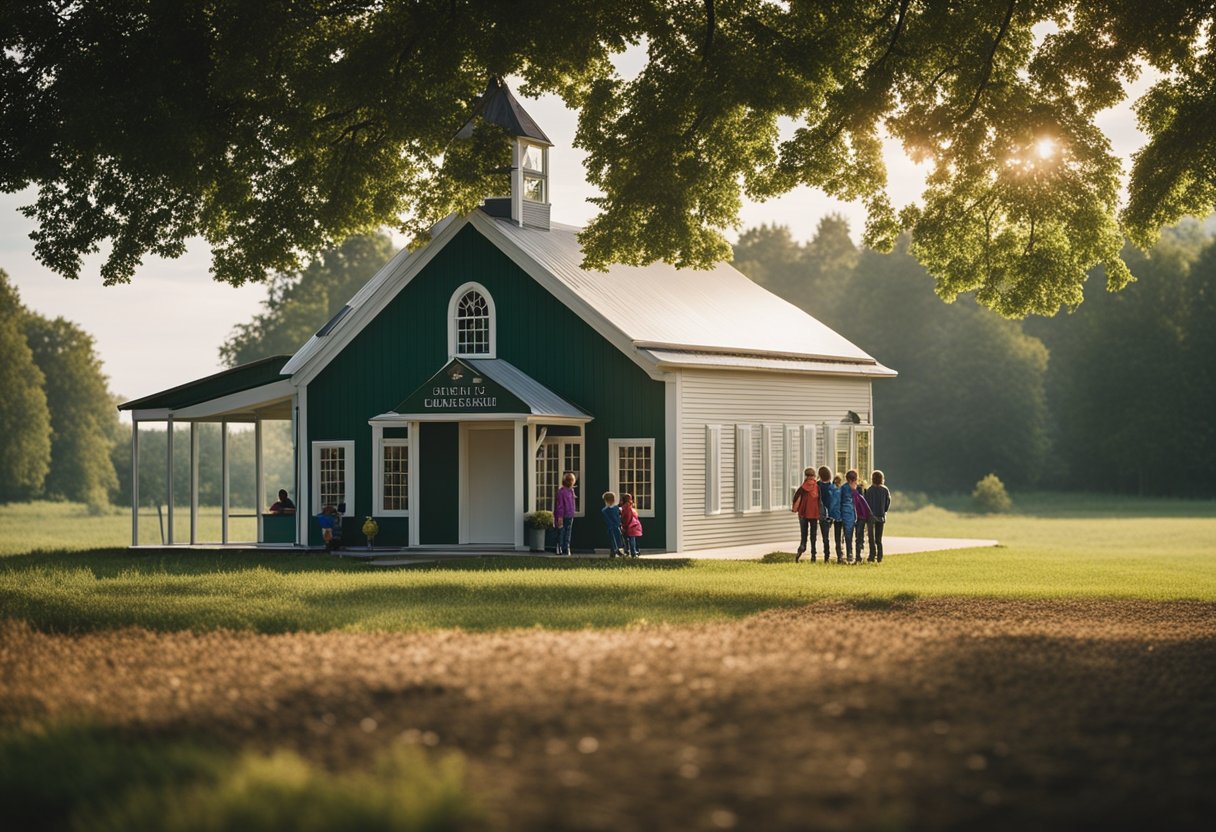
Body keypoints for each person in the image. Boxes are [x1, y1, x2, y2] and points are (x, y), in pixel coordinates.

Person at [791, 467, 820, 562]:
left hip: (803, 514)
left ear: (806, 476)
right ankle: (813, 555)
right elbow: (820, 501)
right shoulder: (817, 487)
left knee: (804, 535)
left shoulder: (802, 488)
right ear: (814, 476)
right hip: (814, 514)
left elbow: (795, 499)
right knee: (813, 535)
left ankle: (801, 549)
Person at [865, 470, 892, 562]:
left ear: (872, 479)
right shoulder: (885, 490)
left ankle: (872, 555)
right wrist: (884, 511)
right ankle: (880, 556)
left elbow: (866, 504)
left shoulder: (869, 490)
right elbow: (888, 502)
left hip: (871, 518)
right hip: (881, 517)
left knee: (871, 538)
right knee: (878, 538)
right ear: (882, 479)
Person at [554, 472, 577, 556]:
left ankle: (567, 547)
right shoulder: (561, 491)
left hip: (570, 515)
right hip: (562, 515)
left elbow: (572, 503)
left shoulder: (571, 491)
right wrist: (559, 516)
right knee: (561, 531)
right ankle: (559, 547)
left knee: (568, 532)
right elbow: (560, 505)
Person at [851, 472, 872, 563]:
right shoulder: (861, 493)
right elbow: (866, 507)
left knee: (856, 537)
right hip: (861, 517)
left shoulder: (851, 493)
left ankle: (857, 555)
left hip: (854, 516)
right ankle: (859, 555)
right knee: (859, 536)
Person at [816, 466, 836, 562]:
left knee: (817, 535)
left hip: (819, 512)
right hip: (829, 514)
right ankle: (826, 556)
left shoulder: (817, 486)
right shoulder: (832, 487)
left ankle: (814, 554)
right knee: (826, 536)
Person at [840, 471, 858, 564]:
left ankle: (849, 553)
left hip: (847, 513)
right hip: (852, 514)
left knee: (848, 535)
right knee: (850, 535)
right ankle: (850, 554)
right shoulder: (857, 488)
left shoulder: (843, 488)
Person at [601, 491, 624, 557]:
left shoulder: (605, 510)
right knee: (617, 539)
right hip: (615, 527)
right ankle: (616, 551)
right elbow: (618, 517)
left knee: (614, 540)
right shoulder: (616, 508)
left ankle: (614, 551)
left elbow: (607, 519)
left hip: (612, 527)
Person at [620, 492, 643, 557]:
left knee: (627, 540)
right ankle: (634, 552)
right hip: (634, 526)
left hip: (629, 526)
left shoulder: (624, 507)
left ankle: (629, 552)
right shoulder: (631, 507)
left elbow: (625, 516)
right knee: (632, 540)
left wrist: (623, 525)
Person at [829, 474, 845, 562]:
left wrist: (831, 516)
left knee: (837, 537)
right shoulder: (839, 491)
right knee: (841, 536)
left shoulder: (831, 490)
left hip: (836, 517)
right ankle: (841, 554)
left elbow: (832, 505)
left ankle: (839, 554)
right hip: (841, 517)